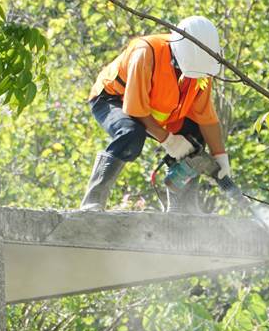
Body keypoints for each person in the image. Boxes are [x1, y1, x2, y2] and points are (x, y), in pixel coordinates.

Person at [80, 15, 230, 213]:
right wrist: (169, 140)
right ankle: (93, 201)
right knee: (130, 134)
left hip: (159, 111)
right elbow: (135, 108)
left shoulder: (202, 69)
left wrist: (220, 157)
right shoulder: (146, 53)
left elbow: (205, 118)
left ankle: (183, 210)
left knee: (194, 140)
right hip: (115, 98)